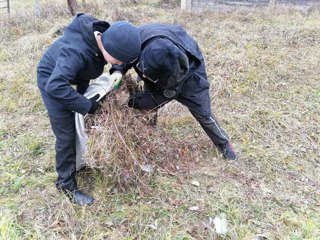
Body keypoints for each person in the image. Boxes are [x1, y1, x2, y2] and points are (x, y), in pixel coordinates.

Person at [37, 13, 141, 205]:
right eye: (117, 61)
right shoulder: (75, 53)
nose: (118, 64)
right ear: (109, 49)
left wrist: (117, 70)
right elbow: (55, 87)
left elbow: (110, 56)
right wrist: (88, 106)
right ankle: (65, 184)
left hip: (76, 75)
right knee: (66, 133)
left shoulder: (105, 36)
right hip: (52, 80)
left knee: (82, 119)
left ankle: (78, 160)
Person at [111, 23, 237, 160]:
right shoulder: (137, 41)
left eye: (148, 75)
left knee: (202, 111)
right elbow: (125, 54)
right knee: (149, 97)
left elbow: (160, 97)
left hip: (188, 67)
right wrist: (118, 70)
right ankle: (148, 130)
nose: (143, 77)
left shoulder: (177, 76)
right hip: (160, 47)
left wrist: (131, 102)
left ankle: (223, 142)